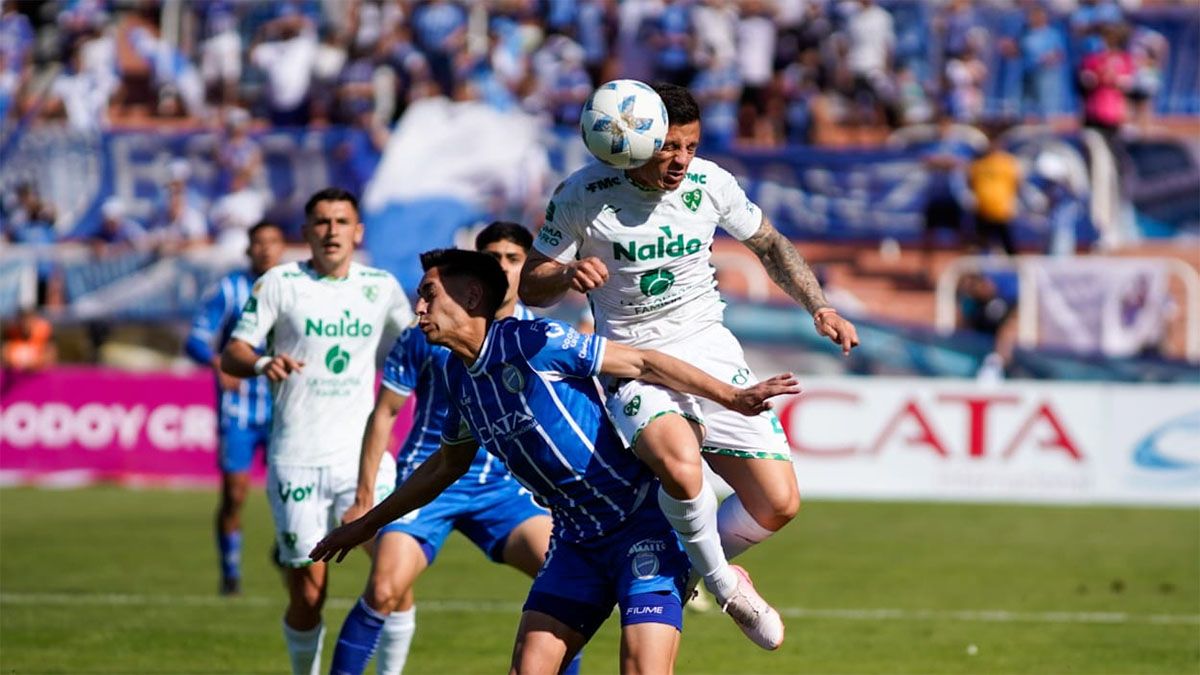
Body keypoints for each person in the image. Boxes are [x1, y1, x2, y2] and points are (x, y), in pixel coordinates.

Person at [311, 249, 800, 673]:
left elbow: (643, 362)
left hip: (642, 525)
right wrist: (366, 524)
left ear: (471, 299)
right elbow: (445, 466)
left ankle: (717, 576)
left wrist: (731, 397)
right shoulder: (460, 382)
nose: (419, 308)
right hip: (575, 542)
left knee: (644, 669)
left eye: (429, 295)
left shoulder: (533, 341)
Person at [520, 82, 858, 645]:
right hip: (631, 356)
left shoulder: (711, 183)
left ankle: (688, 563)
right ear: (635, 141)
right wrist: (565, 274)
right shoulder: (583, 194)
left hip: (709, 347)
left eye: (690, 147)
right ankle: (724, 584)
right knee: (681, 464)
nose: (680, 160)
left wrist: (819, 306)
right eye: (668, 148)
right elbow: (532, 283)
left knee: (778, 503)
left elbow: (771, 245)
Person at [327, 222, 580, 675]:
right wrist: (364, 499)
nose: (502, 267)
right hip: (431, 480)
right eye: (492, 259)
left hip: (504, 490)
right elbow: (384, 413)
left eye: (513, 259)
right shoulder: (427, 332)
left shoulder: (539, 335)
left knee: (568, 593)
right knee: (383, 589)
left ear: (527, 269)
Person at [220, 188, 413, 675]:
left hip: (361, 458)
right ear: (306, 232)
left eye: (341, 221)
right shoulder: (279, 283)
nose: (332, 231)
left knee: (395, 574)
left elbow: (416, 349)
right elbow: (233, 352)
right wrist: (264, 360)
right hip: (296, 458)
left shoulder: (381, 287)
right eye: (322, 222)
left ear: (357, 231)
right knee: (309, 592)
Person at [185, 221, 285, 596]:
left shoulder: (297, 288)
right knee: (235, 493)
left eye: (272, 242)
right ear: (248, 250)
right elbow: (195, 340)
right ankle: (230, 573)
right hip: (239, 410)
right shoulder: (229, 290)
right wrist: (218, 364)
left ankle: (287, 546)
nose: (265, 249)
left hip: (286, 408)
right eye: (258, 243)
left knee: (292, 488)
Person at [967, 136, 1022, 256]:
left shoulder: (1008, 163)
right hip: (982, 211)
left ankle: (1013, 273)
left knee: (1009, 248)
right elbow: (970, 183)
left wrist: (1013, 202)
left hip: (1002, 211)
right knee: (980, 247)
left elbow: (1018, 183)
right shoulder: (978, 164)